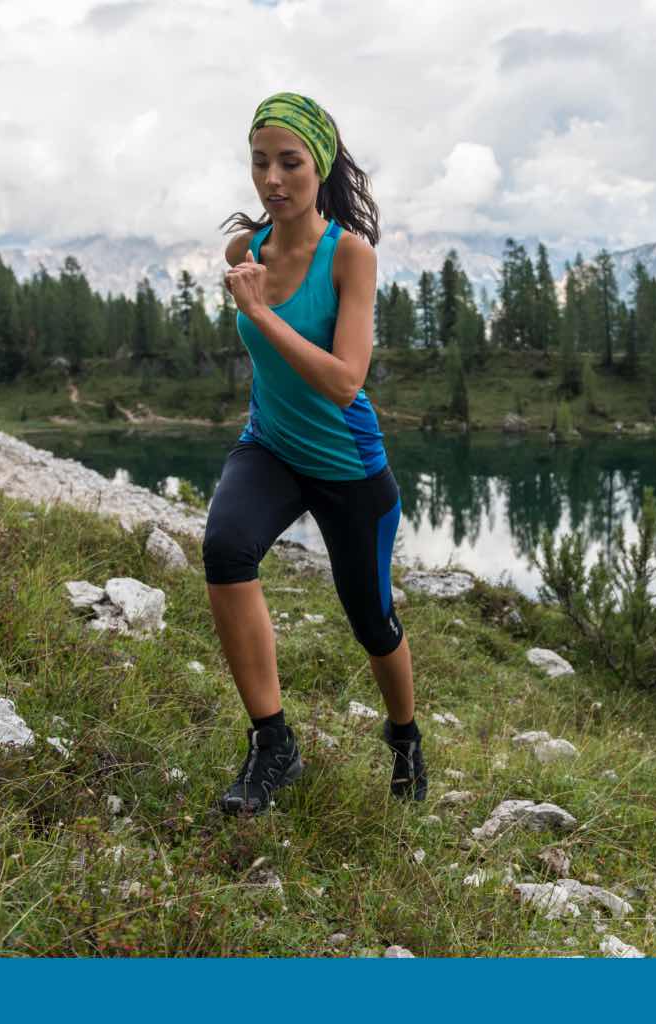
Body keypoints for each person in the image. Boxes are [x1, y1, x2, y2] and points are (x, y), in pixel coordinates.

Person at [205, 91, 425, 817]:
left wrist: (262, 312)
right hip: (269, 446)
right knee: (226, 551)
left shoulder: (350, 257)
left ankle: (405, 738)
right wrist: (254, 298)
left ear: (318, 165)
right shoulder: (246, 252)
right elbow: (270, 362)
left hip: (347, 464)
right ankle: (274, 746)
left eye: (289, 162)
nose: (273, 178)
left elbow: (344, 381)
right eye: (260, 162)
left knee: (372, 620)